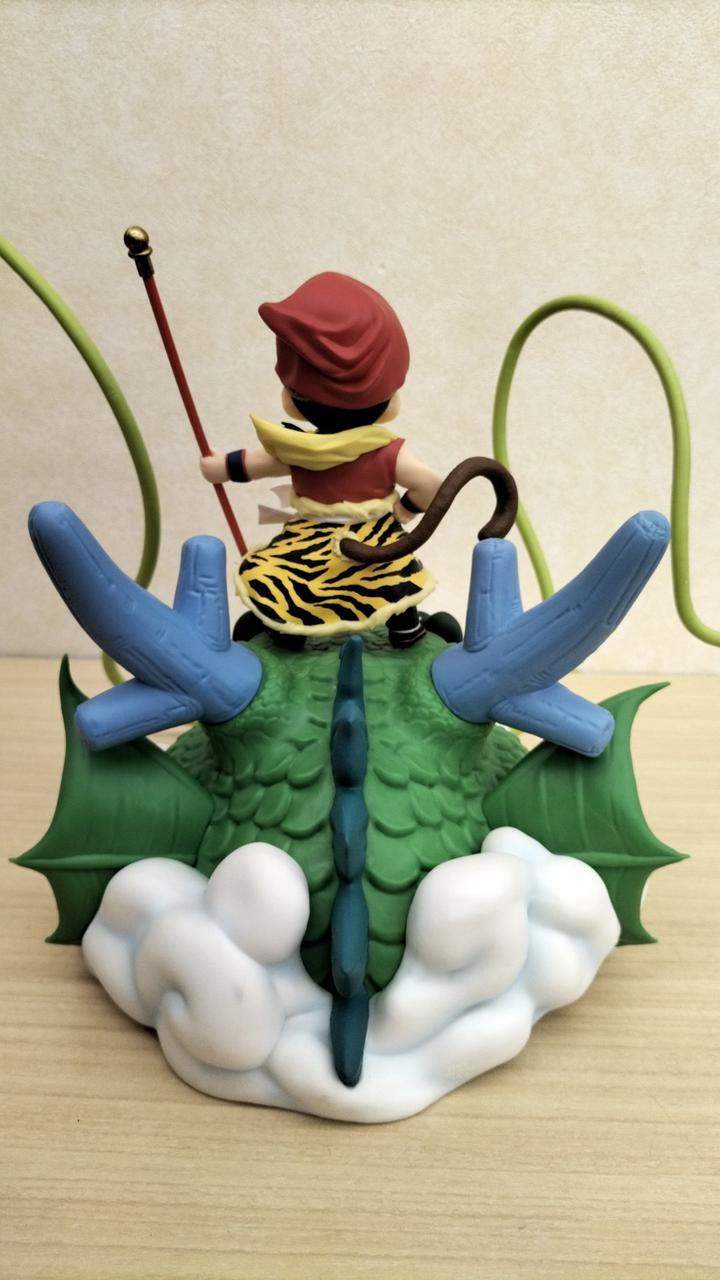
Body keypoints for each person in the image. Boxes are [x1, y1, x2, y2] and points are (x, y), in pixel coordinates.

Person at [200, 271, 442, 647]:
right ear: (390, 400)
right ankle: (405, 626)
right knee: (389, 576)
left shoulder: (297, 448)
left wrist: (220, 467)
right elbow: (431, 486)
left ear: (293, 399)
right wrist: (403, 512)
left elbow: (254, 463)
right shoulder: (389, 451)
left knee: (289, 577)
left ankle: (287, 628)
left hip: (307, 542)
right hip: (372, 538)